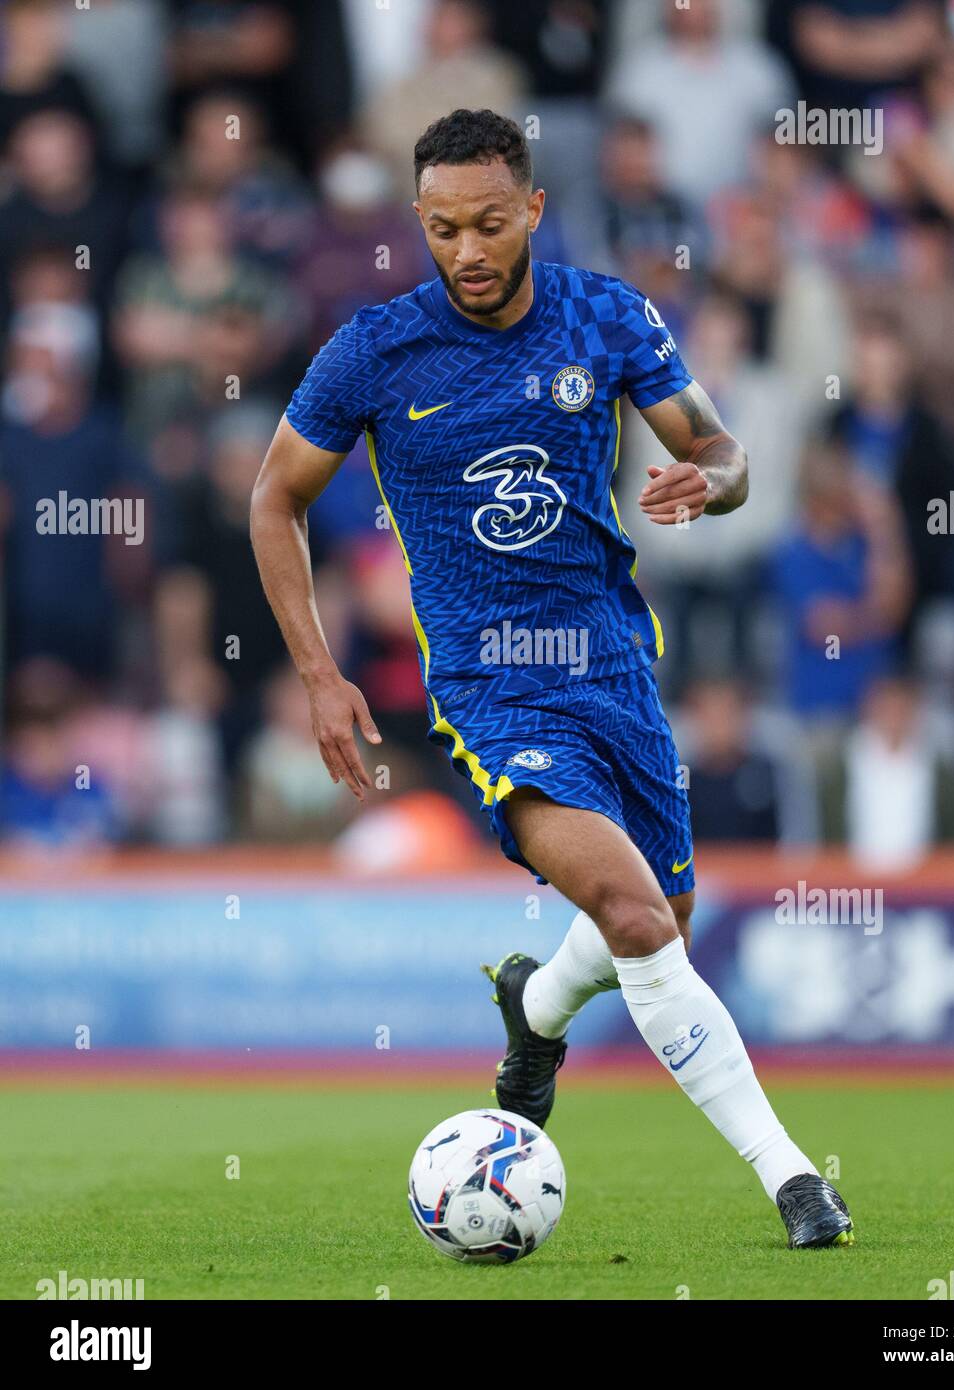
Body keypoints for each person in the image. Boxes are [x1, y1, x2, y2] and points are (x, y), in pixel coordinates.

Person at [250, 108, 854, 1249]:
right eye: (441, 229)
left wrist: (707, 480)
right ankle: (792, 1180)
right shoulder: (374, 350)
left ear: (531, 207)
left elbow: (718, 447)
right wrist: (320, 674)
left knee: (661, 910)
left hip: (616, 667)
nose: (466, 251)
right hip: (491, 684)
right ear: (419, 224)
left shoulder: (607, 315)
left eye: (487, 223)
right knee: (636, 914)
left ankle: (532, 1011)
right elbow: (271, 498)